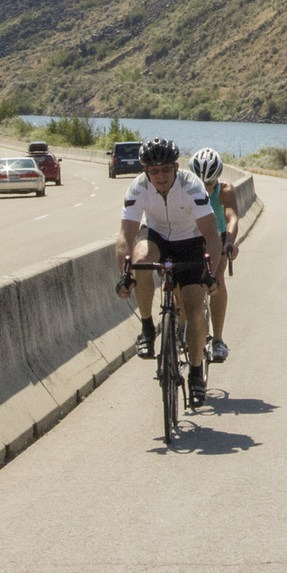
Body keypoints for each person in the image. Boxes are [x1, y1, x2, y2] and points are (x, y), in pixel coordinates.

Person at [114, 137, 222, 408]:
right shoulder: (139, 188)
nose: (160, 176)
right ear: (145, 172)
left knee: (194, 309)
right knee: (140, 259)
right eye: (154, 171)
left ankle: (196, 372)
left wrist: (211, 272)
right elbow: (125, 236)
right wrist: (125, 273)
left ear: (176, 167)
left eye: (165, 170)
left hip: (190, 241)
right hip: (158, 236)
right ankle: (148, 327)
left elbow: (211, 234)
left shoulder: (191, 185)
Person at [188, 147, 240, 363]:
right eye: (202, 184)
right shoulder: (183, 188)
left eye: (209, 184)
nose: (206, 190)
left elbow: (232, 218)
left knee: (217, 280)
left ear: (217, 178)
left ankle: (217, 339)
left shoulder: (225, 190)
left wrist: (229, 241)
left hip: (217, 237)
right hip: (189, 238)